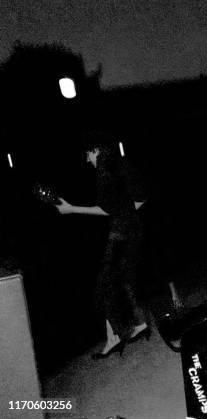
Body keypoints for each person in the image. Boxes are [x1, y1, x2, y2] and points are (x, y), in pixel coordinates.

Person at [55, 131, 151, 359]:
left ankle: (115, 336)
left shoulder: (105, 171)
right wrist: (127, 212)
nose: (87, 160)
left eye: (87, 155)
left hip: (120, 235)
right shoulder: (121, 164)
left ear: (95, 150)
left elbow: (107, 209)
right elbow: (141, 196)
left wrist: (71, 209)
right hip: (135, 231)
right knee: (124, 280)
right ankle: (139, 324)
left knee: (102, 290)